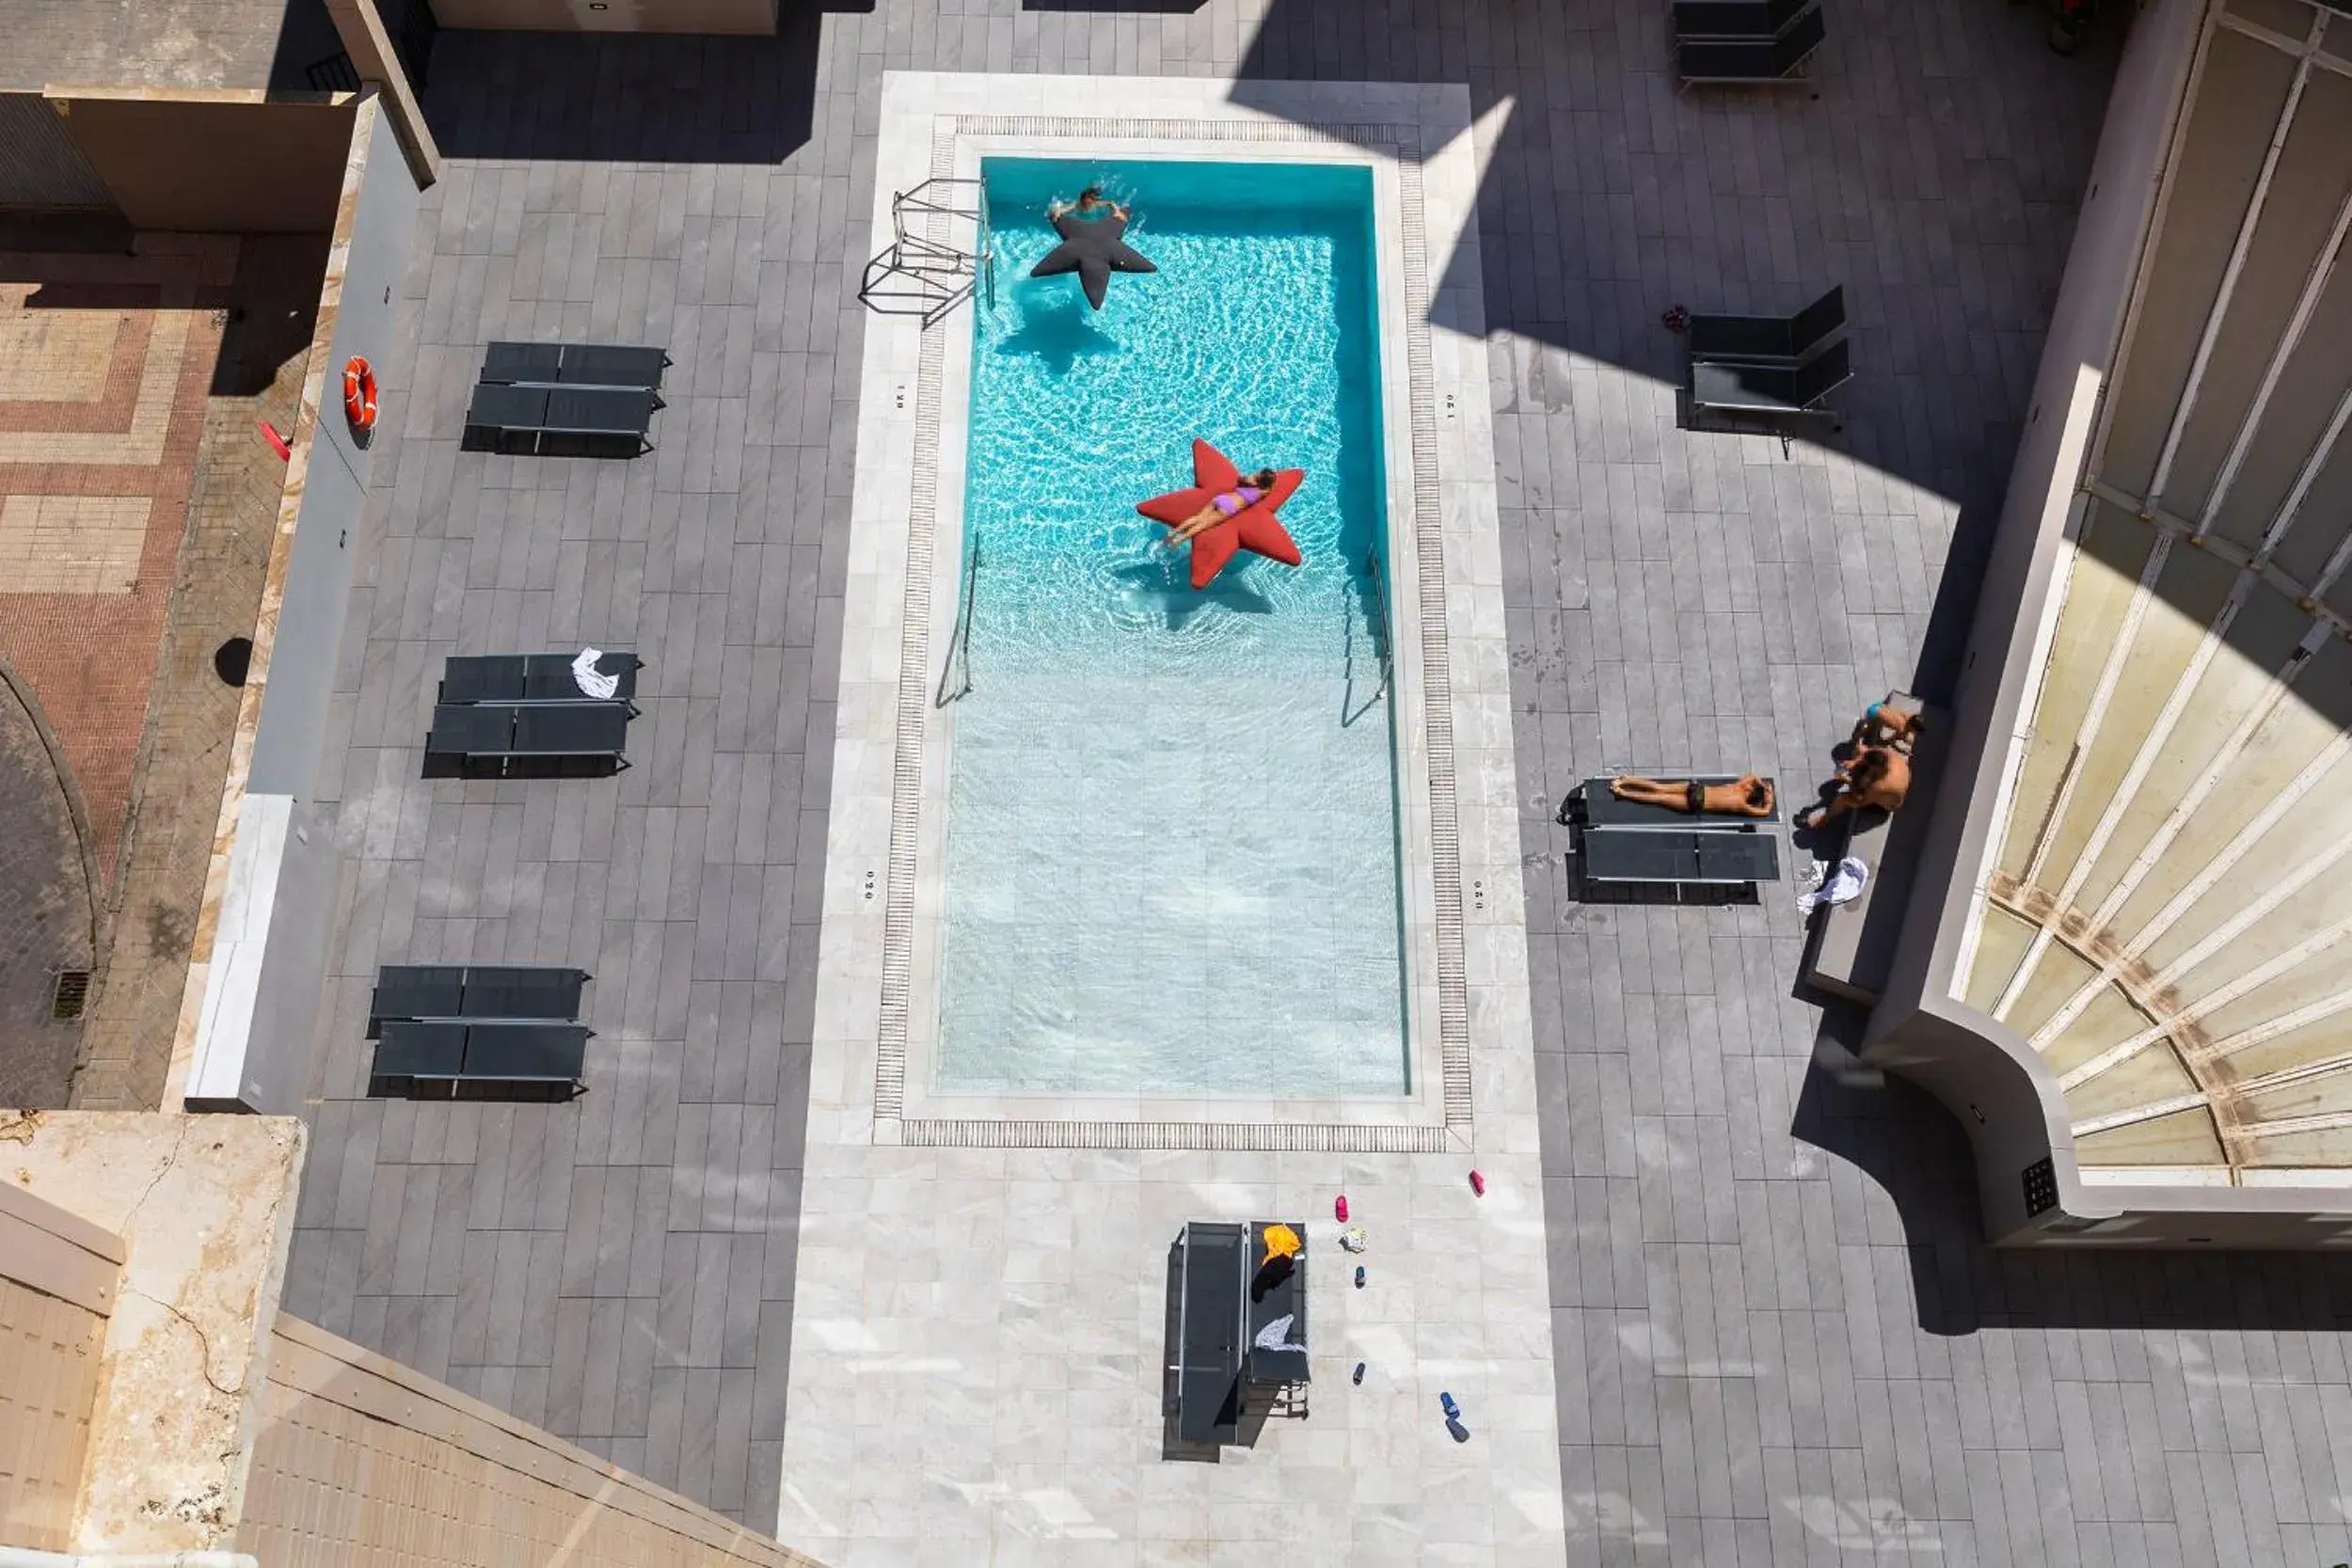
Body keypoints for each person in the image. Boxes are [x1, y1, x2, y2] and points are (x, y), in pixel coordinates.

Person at [1797, 746, 1911, 828]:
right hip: (1888, 777)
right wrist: (1854, 762)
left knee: (1842, 799)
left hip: (1886, 804)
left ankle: (1822, 821)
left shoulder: (1881, 785)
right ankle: (1856, 773)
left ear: (1876, 768)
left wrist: (1849, 782)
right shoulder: (1889, 756)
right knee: (1860, 749)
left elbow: (1860, 800)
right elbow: (1868, 752)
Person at [1163, 467, 1279, 547]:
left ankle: (1174, 532)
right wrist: (1268, 481)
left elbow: (1241, 478)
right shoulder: (1263, 491)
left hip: (1221, 498)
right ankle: (1178, 541)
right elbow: (1272, 487)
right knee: (1202, 525)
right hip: (1229, 507)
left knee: (1198, 517)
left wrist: (1254, 476)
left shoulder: (1250, 481)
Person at [1607, 773, 1776, 819]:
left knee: (1659, 788)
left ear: (1751, 791)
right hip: (1696, 802)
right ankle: (1622, 792)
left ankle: (1627, 779)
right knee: (1658, 798)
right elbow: (1765, 811)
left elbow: (1753, 776)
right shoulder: (1742, 805)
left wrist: (1765, 788)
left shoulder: (1738, 788)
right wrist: (1768, 797)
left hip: (1697, 789)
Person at [1849, 702, 1922, 755]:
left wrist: (1904, 737)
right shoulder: (1901, 728)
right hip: (1873, 713)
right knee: (1870, 743)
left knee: (1878, 725)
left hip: (1878, 706)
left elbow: (1904, 733)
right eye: (1915, 731)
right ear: (1913, 728)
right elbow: (1892, 743)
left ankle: (1866, 723)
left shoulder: (1908, 716)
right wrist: (1902, 750)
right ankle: (1857, 736)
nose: (1915, 733)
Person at [1049, 184, 1128, 223]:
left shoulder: (1096, 204)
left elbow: (1111, 203)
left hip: (1090, 220)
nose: (1091, 202)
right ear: (1086, 197)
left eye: (1093, 199)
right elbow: (1065, 209)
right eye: (1090, 199)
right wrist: (1058, 212)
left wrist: (1117, 212)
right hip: (1080, 218)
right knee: (1054, 208)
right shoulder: (1077, 205)